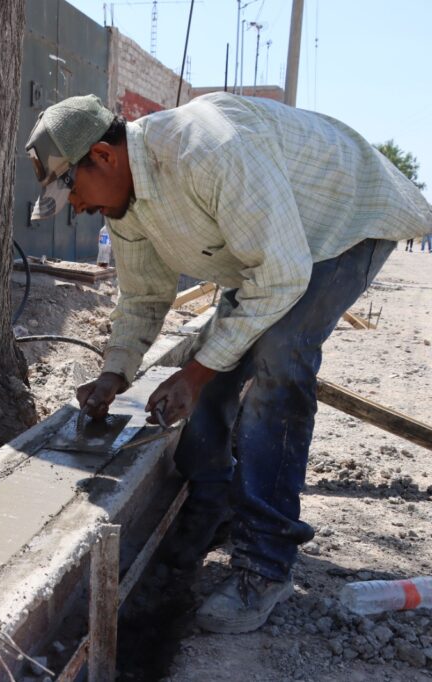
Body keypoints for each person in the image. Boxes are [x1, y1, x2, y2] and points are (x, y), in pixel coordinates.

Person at [25, 93, 432, 634]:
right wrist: (115, 372)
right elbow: (144, 297)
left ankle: (265, 565)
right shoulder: (123, 202)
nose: (75, 207)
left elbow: (283, 276)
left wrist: (194, 374)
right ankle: (213, 505)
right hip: (271, 253)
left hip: (343, 223)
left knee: (279, 360)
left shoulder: (207, 151)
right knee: (215, 372)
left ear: (102, 156)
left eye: (70, 189)